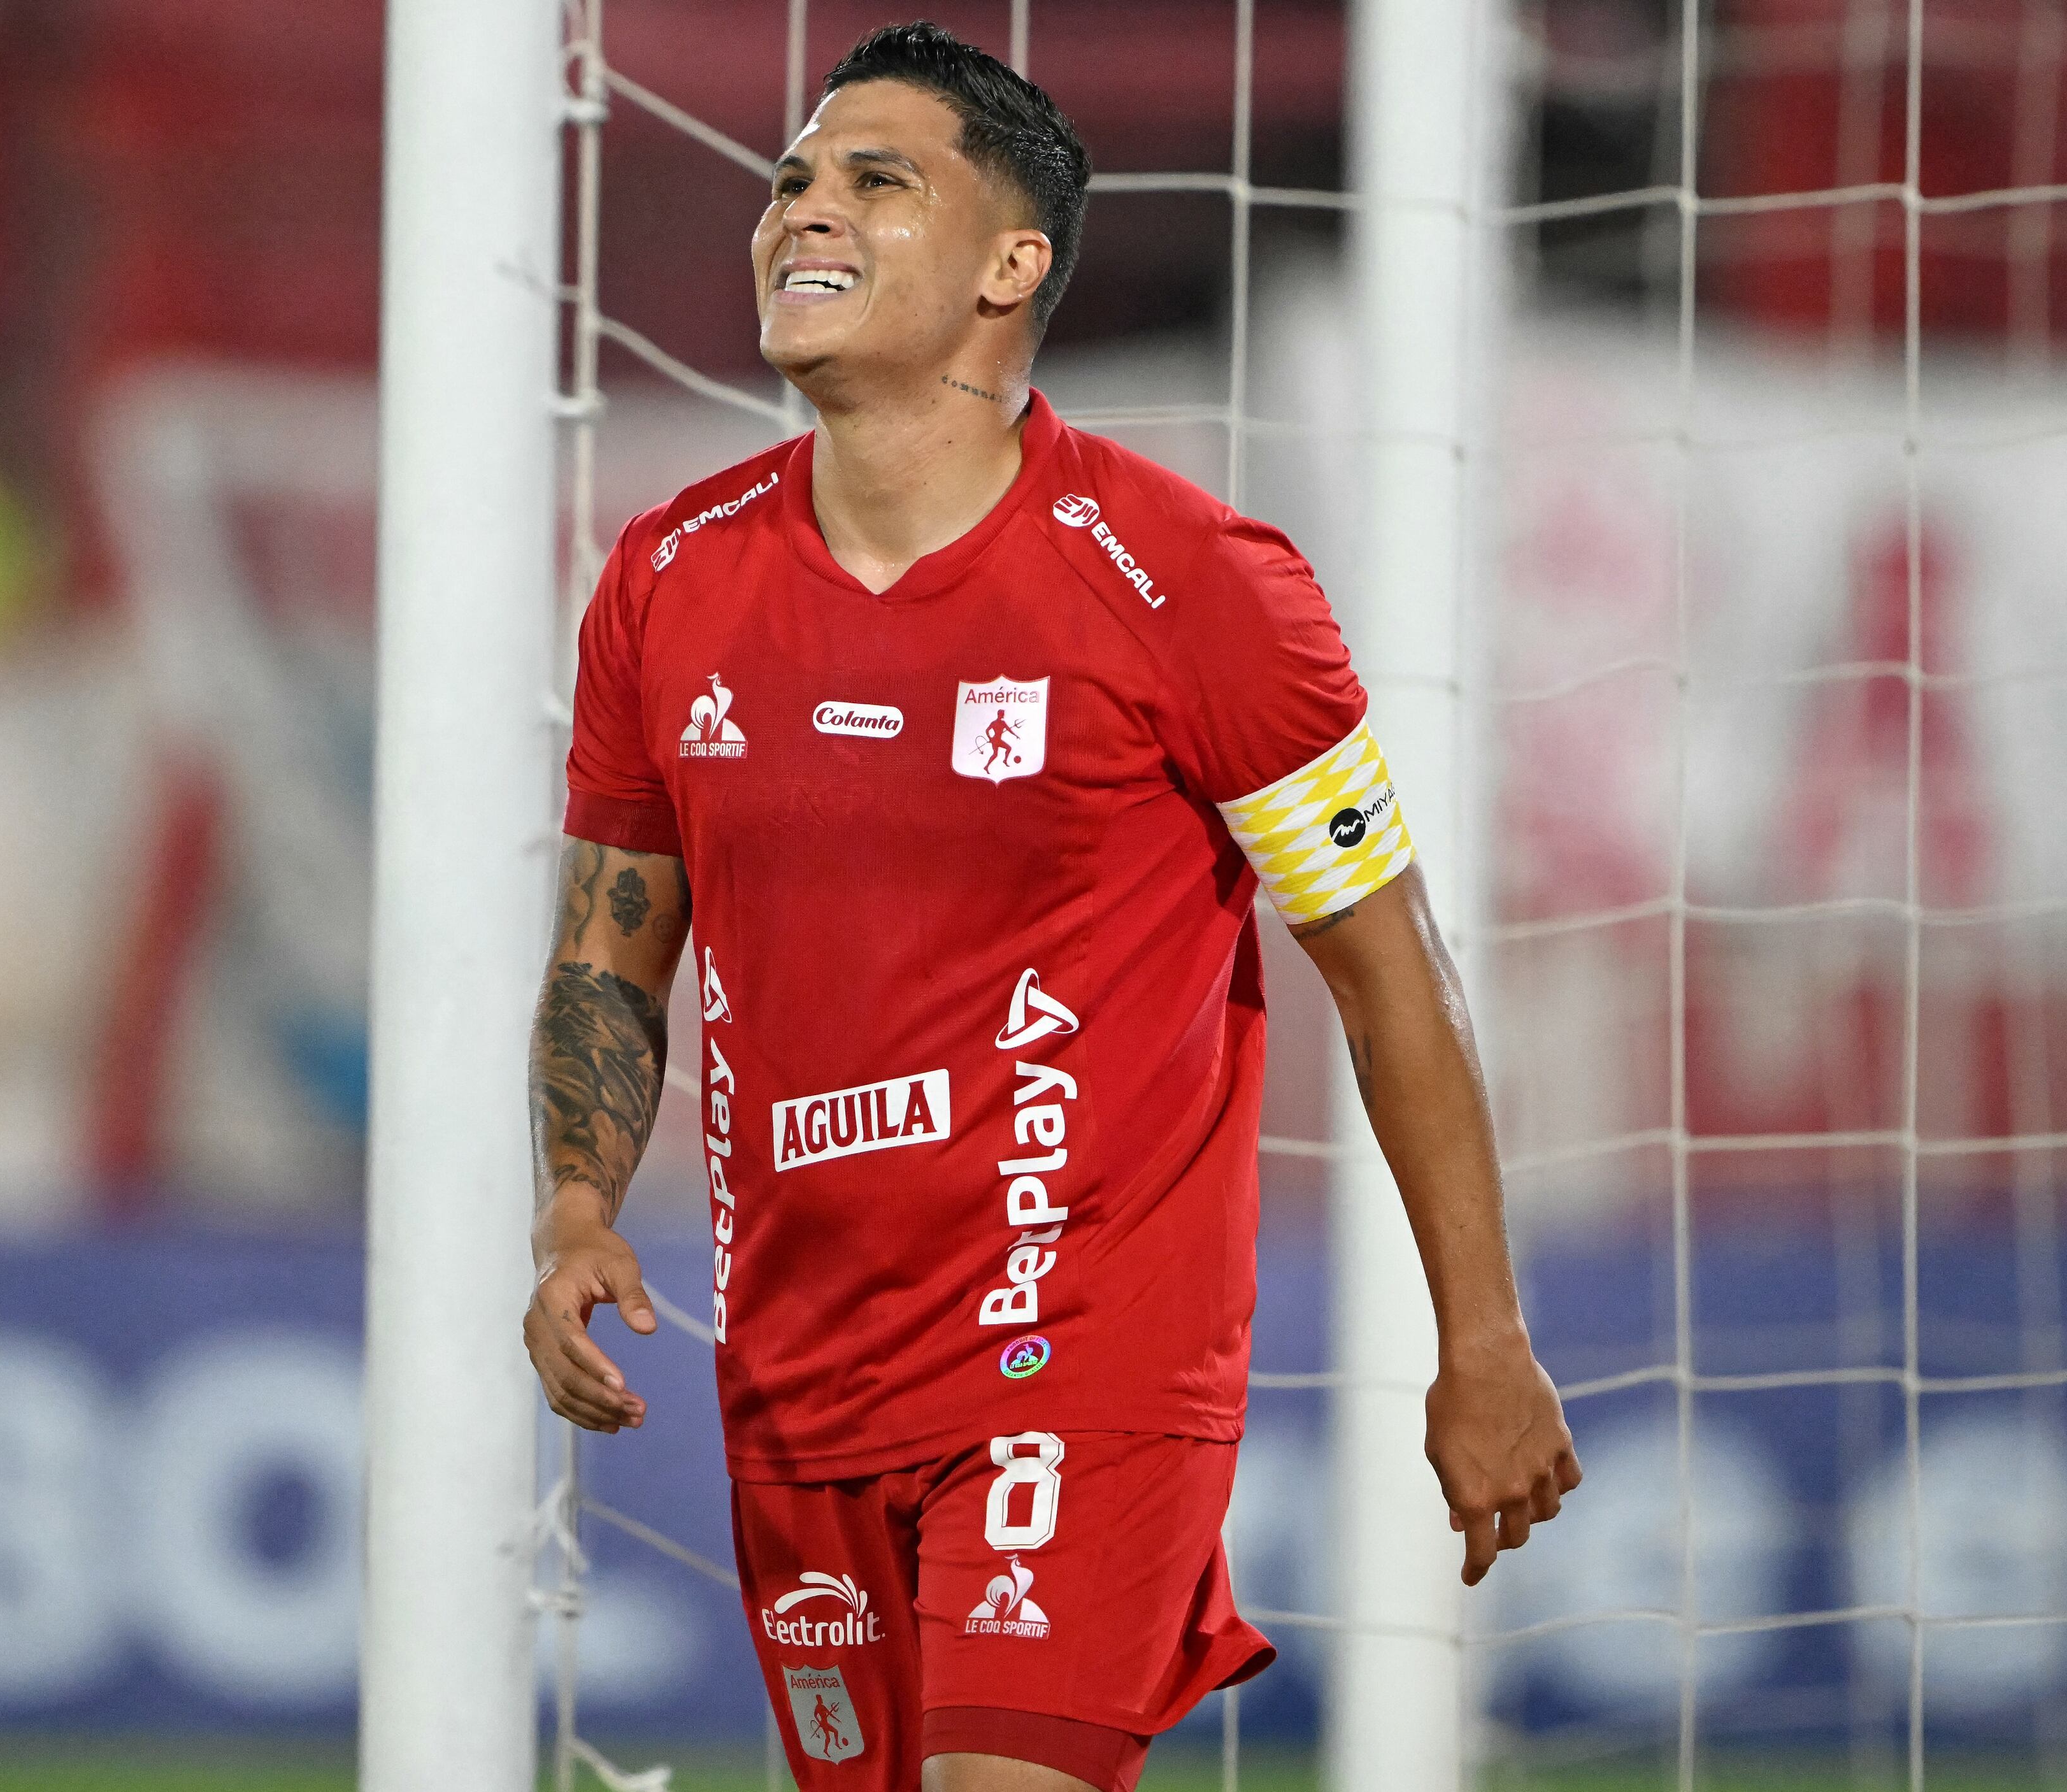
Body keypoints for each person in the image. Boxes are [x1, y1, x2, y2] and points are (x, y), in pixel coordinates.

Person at [521, 22, 1578, 1791]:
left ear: (1016, 265)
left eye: (878, 178)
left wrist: (1484, 1340)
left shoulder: (1197, 587)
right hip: (800, 1374)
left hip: (1078, 1361)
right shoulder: (668, 581)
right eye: (792, 178)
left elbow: (1391, 975)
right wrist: (573, 1214)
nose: (803, 209)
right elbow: (611, 953)